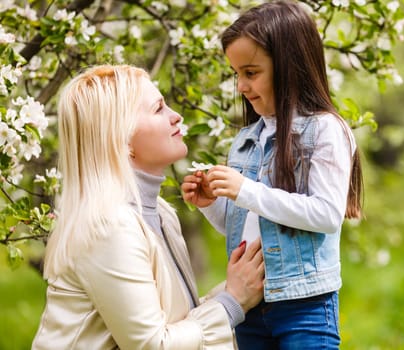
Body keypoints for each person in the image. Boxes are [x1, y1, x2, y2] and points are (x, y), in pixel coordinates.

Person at [32, 64, 265, 350]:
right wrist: (232, 301)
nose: (176, 116)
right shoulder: (109, 225)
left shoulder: (160, 213)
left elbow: (175, 321)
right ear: (122, 138)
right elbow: (153, 344)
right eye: (158, 109)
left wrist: (240, 286)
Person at [181, 1, 363, 349]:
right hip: (249, 305)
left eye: (251, 73)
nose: (241, 86)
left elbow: (326, 214)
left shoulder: (325, 131)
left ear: (289, 67)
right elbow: (245, 227)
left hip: (304, 306)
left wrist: (245, 190)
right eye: (237, 74)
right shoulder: (248, 139)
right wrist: (211, 204)